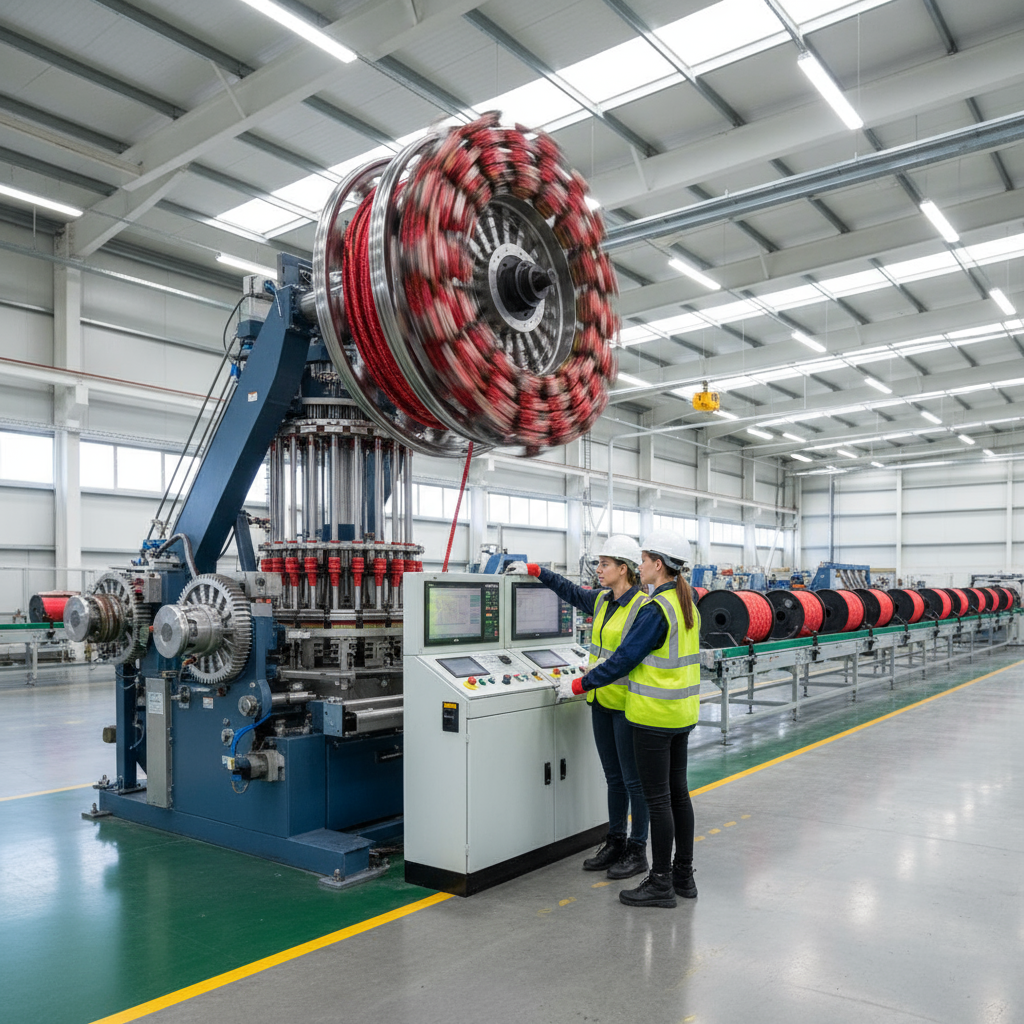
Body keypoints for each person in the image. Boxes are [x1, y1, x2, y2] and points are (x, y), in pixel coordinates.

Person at [554, 529, 700, 909]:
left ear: (655, 564)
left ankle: (661, 880)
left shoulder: (654, 609)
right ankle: (682, 876)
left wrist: (581, 684)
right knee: (677, 797)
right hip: (681, 713)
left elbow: (624, 659)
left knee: (657, 800)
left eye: (645, 558)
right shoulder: (686, 603)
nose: (642, 563)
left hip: (653, 716)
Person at [505, 536, 651, 880]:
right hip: (600, 702)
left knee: (634, 782)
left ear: (623, 569)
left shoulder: (642, 608)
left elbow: (626, 660)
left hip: (628, 706)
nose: (598, 570)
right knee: (613, 779)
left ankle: (637, 849)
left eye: (604, 564)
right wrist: (537, 570)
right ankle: (615, 841)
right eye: (599, 564)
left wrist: (580, 683)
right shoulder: (602, 601)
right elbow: (568, 591)